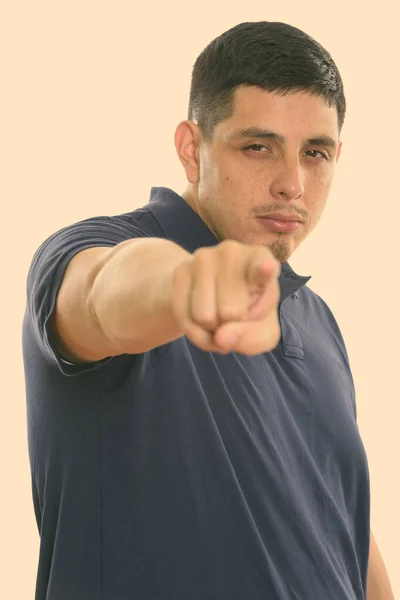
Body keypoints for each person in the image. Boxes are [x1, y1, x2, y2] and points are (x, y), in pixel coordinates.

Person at [22, 21, 394, 600]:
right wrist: (185, 286)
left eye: (315, 153)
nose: (292, 183)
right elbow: (101, 295)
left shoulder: (318, 320)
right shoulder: (100, 251)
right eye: (257, 146)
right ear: (191, 150)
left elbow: (345, 524)